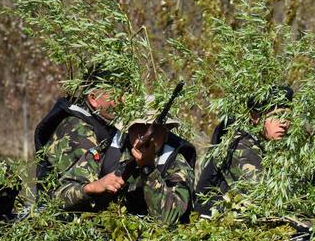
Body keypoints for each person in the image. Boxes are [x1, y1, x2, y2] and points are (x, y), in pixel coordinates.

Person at [74, 99, 197, 224]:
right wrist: (92, 187)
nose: (147, 136)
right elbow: (63, 194)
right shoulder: (107, 152)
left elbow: (169, 219)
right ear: (129, 129)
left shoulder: (176, 164)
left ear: (166, 134)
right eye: (140, 128)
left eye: (154, 130)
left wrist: (148, 170)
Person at [34, 65, 123, 211]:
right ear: (93, 99)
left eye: (126, 92)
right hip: (61, 217)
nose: (124, 99)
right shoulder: (79, 131)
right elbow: (63, 196)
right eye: (115, 95)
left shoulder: (103, 124)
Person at [195, 85, 293, 215]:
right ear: (255, 117)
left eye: (287, 116)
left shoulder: (272, 146)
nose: (283, 123)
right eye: (275, 115)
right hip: (221, 222)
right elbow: (263, 199)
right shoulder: (240, 146)